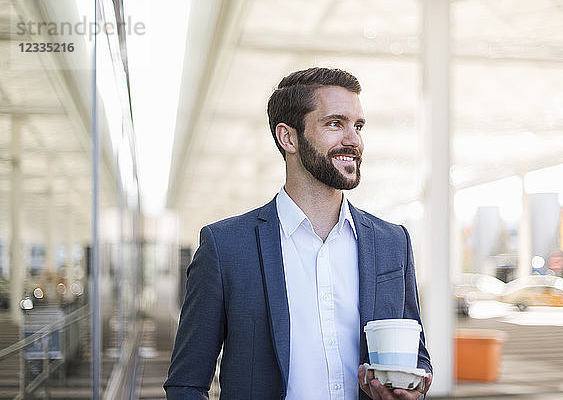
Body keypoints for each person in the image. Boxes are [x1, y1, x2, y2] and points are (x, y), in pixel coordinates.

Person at [164, 67, 432, 399]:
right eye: (335, 124)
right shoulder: (225, 247)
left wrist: (410, 389)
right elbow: (186, 384)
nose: (353, 140)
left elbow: (416, 357)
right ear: (288, 137)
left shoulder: (394, 243)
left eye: (358, 126)